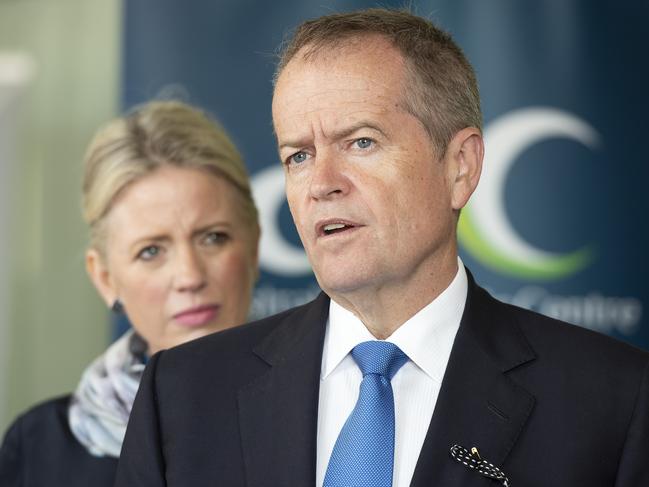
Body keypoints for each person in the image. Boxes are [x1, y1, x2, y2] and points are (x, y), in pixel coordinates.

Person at [115, 9, 649, 487]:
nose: (322, 182)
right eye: (298, 155)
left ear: (459, 166)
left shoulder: (615, 402)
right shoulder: (182, 397)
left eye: (361, 142)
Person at [0, 100, 260, 487]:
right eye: (151, 251)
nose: (189, 276)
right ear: (105, 278)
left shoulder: (322, 411)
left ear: (254, 246)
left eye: (213, 237)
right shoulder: (39, 448)